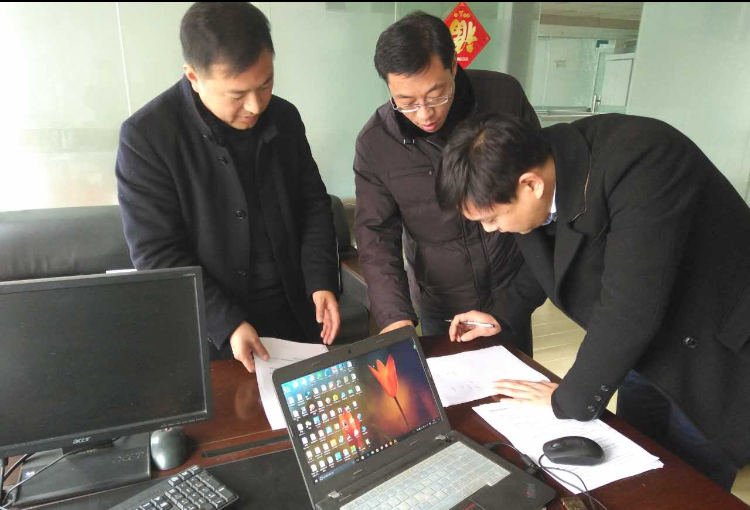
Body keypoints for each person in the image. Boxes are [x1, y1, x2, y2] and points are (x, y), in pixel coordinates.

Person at [436, 112, 750, 490]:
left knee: (693, 479)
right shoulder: (536, 167)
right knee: (644, 459)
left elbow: (630, 304)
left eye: (491, 218)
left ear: (530, 185)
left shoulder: (641, 159)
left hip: (717, 344)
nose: (491, 229)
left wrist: (569, 398)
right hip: (644, 345)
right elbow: (549, 258)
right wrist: (502, 314)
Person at [116, 2, 340, 374]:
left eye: (265, 84)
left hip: (294, 313)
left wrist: (321, 280)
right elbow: (157, 254)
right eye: (236, 95)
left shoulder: (284, 117)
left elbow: (313, 203)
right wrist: (226, 322)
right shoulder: (147, 137)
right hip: (212, 332)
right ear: (193, 76)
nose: (255, 106)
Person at [353, 11, 542, 354]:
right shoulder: (376, 143)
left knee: (514, 379)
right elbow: (375, 235)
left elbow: (540, 184)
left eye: (436, 94)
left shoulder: (503, 97)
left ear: (454, 66)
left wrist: (519, 297)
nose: (425, 113)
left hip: (509, 291)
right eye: (406, 102)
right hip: (441, 301)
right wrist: (395, 317)